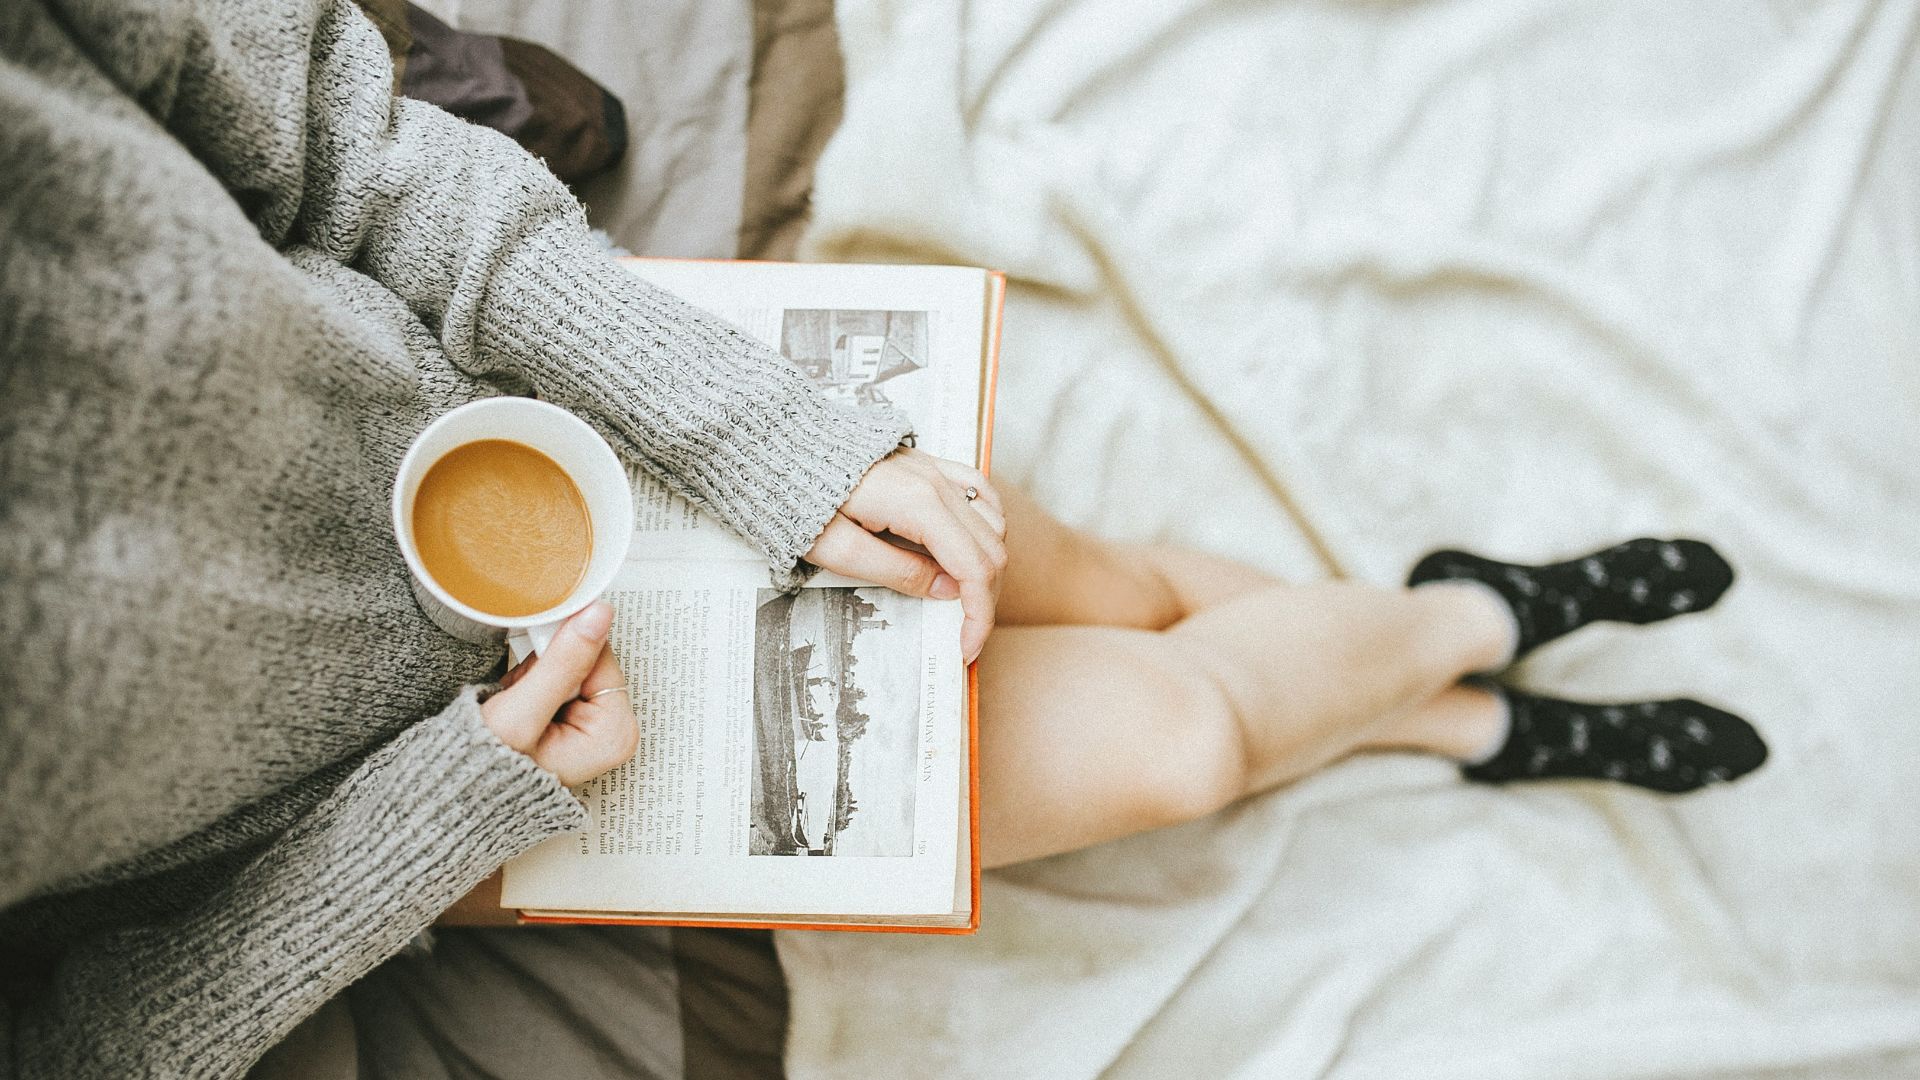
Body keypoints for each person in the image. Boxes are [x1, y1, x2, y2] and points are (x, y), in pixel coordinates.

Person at [0, 2, 1765, 1077]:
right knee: (1184, 739)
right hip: (438, 784)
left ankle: (1444, 711)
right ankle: (1471, 629)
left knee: (1118, 588)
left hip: (559, 410)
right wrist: (431, 822)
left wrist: (748, 426)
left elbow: (329, 115)